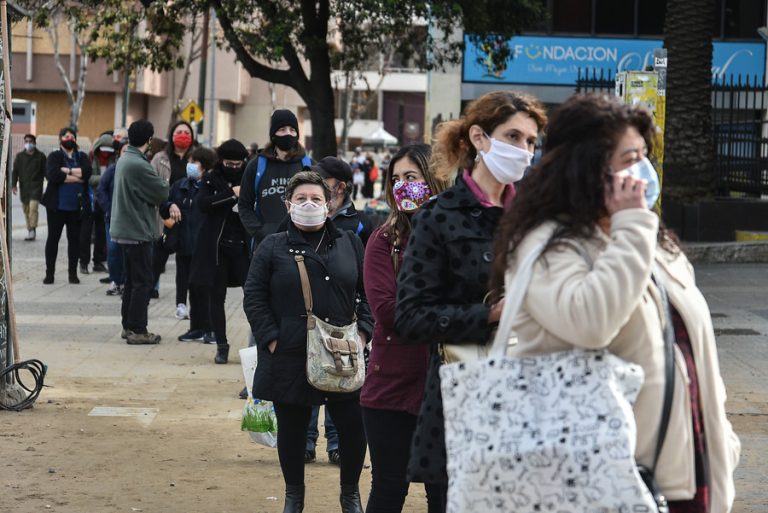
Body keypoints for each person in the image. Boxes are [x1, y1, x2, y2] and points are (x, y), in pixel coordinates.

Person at [490, 94, 740, 513]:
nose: (641, 171)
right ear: (587, 166)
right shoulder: (550, 247)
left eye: (643, 156)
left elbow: (692, 352)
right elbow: (592, 321)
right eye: (628, 158)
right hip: (600, 483)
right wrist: (633, 224)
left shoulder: (654, 244)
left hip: (687, 471)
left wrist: (722, 442)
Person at [394, 90, 547, 510]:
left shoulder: (536, 219)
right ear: (478, 138)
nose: (524, 150)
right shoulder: (438, 216)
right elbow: (409, 316)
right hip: (462, 398)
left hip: (529, 398)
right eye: (513, 137)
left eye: (531, 142)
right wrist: (491, 314)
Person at [243, 171, 373, 513]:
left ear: (329, 205)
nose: (309, 204)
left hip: (343, 352)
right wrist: (271, 339)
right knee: (293, 428)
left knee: (352, 426)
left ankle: (350, 494)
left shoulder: (349, 242)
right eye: (301, 199)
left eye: (316, 198)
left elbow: (367, 292)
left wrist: (363, 332)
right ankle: (294, 497)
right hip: (289, 352)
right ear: (288, 205)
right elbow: (253, 296)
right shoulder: (272, 245)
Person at [361, 144, 449, 513]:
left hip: (446, 384)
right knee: (388, 488)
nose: (401, 186)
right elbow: (387, 311)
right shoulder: (383, 241)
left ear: (433, 179)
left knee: (444, 492)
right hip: (391, 385)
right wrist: (453, 318)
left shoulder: (455, 237)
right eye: (395, 179)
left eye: (410, 177)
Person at [302, 156, 374, 464]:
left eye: (322, 185)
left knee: (339, 380)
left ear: (340, 188)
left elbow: (367, 279)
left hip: (344, 320)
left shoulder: (358, 225)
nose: (314, 193)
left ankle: (336, 442)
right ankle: (305, 441)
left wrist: (364, 330)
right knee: (307, 380)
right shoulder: (303, 220)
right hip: (307, 318)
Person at [191, 139, 251, 364]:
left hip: (244, 247)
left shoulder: (250, 177)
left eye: (237, 164)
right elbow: (203, 204)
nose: (233, 167)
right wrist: (231, 193)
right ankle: (221, 345)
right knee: (216, 297)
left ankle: (256, 345)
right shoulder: (211, 177)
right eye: (229, 163)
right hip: (217, 249)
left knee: (254, 297)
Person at [111, 119, 169, 345]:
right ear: (148, 139)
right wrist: (163, 179)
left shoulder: (126, 159)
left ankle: (128, 326)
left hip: (125, 230)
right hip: (137, 231)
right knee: (143, 281)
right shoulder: (139, 164)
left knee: (132, 281)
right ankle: (138, 329)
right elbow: (161, 191)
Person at [238, 109, 312, 248]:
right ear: (273, 135)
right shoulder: (256, 165)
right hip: (266, 244)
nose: (288, 133)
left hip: (302, 243)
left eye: (292, 129)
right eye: (282, 129)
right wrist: (259, 232)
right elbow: (244, 205)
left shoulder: (309, 165)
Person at [162, 146, 215, 343]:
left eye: (194, 162)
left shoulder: (212, 186)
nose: (189, 166)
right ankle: (196, 328)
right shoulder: (180, 186)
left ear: (205, 166)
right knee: (191, 286)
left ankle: (211, 329)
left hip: (205, 247)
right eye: (189, 162)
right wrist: (170, 205)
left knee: (206, 290)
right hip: (184, 244)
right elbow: (164, 204)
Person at [151, 121, 198, 300]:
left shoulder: (194, 159)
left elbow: (196, 185)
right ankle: (150, 288)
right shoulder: (160, 158)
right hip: (165, 215)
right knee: (158, 256)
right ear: (171, 135)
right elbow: (153, 187)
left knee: (186, 260)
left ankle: (183, 301)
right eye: (179, 132)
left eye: (187, 132)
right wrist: (165, 209)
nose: (183, 135)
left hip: (187, 217)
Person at [40, 127, 93, 285]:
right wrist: (76, 177)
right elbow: (53, 175)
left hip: (76, 207)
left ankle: (73, 274)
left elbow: (87, 173)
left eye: (72, 136)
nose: (69, 138)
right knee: (53, 240)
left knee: (74, 241)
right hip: (56, 207)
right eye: (66, 136)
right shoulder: (55, 156)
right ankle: (50, 274)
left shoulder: (81, 156)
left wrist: (67, 171)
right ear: (60, 139)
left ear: (75, 140)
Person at [314, 156, 375, 246]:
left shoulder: (360, 225)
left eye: (321, 182)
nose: (314, 186)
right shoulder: (303, 213)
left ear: (341, 188)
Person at [96, 138, 128, 296]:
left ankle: (125, 282)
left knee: (128, 252)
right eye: (124, 151)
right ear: (118, 153)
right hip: (113, 218)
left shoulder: (140, 170)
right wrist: (109, 209)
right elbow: (100, 190)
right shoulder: (112, 170)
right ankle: (115, 280)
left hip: (132, 220)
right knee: (114, 250)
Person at [80, 132, 114, 274]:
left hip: (104, 201)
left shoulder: (114, 161)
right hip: (90, 199)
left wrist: (101, 180)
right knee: (86, 233)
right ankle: (83, 262)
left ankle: (99, 261)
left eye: (109, 150)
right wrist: (103, 179)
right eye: (103, 149)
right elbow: (88, 178)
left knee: (101, 233)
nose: (105, 153)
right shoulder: (90, 159)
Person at [11, 133, 46, 241]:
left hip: (36, 187)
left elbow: (46, 172)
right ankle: (29, 228)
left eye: (30, 141)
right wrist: (13, 185)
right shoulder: (20, 157)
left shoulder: (40, 156)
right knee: (26, 210)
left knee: (33, 208)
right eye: (26, 141)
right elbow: (15, 172)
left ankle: (33, 230)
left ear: (34, 143)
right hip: (24, 188)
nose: (28, 144)